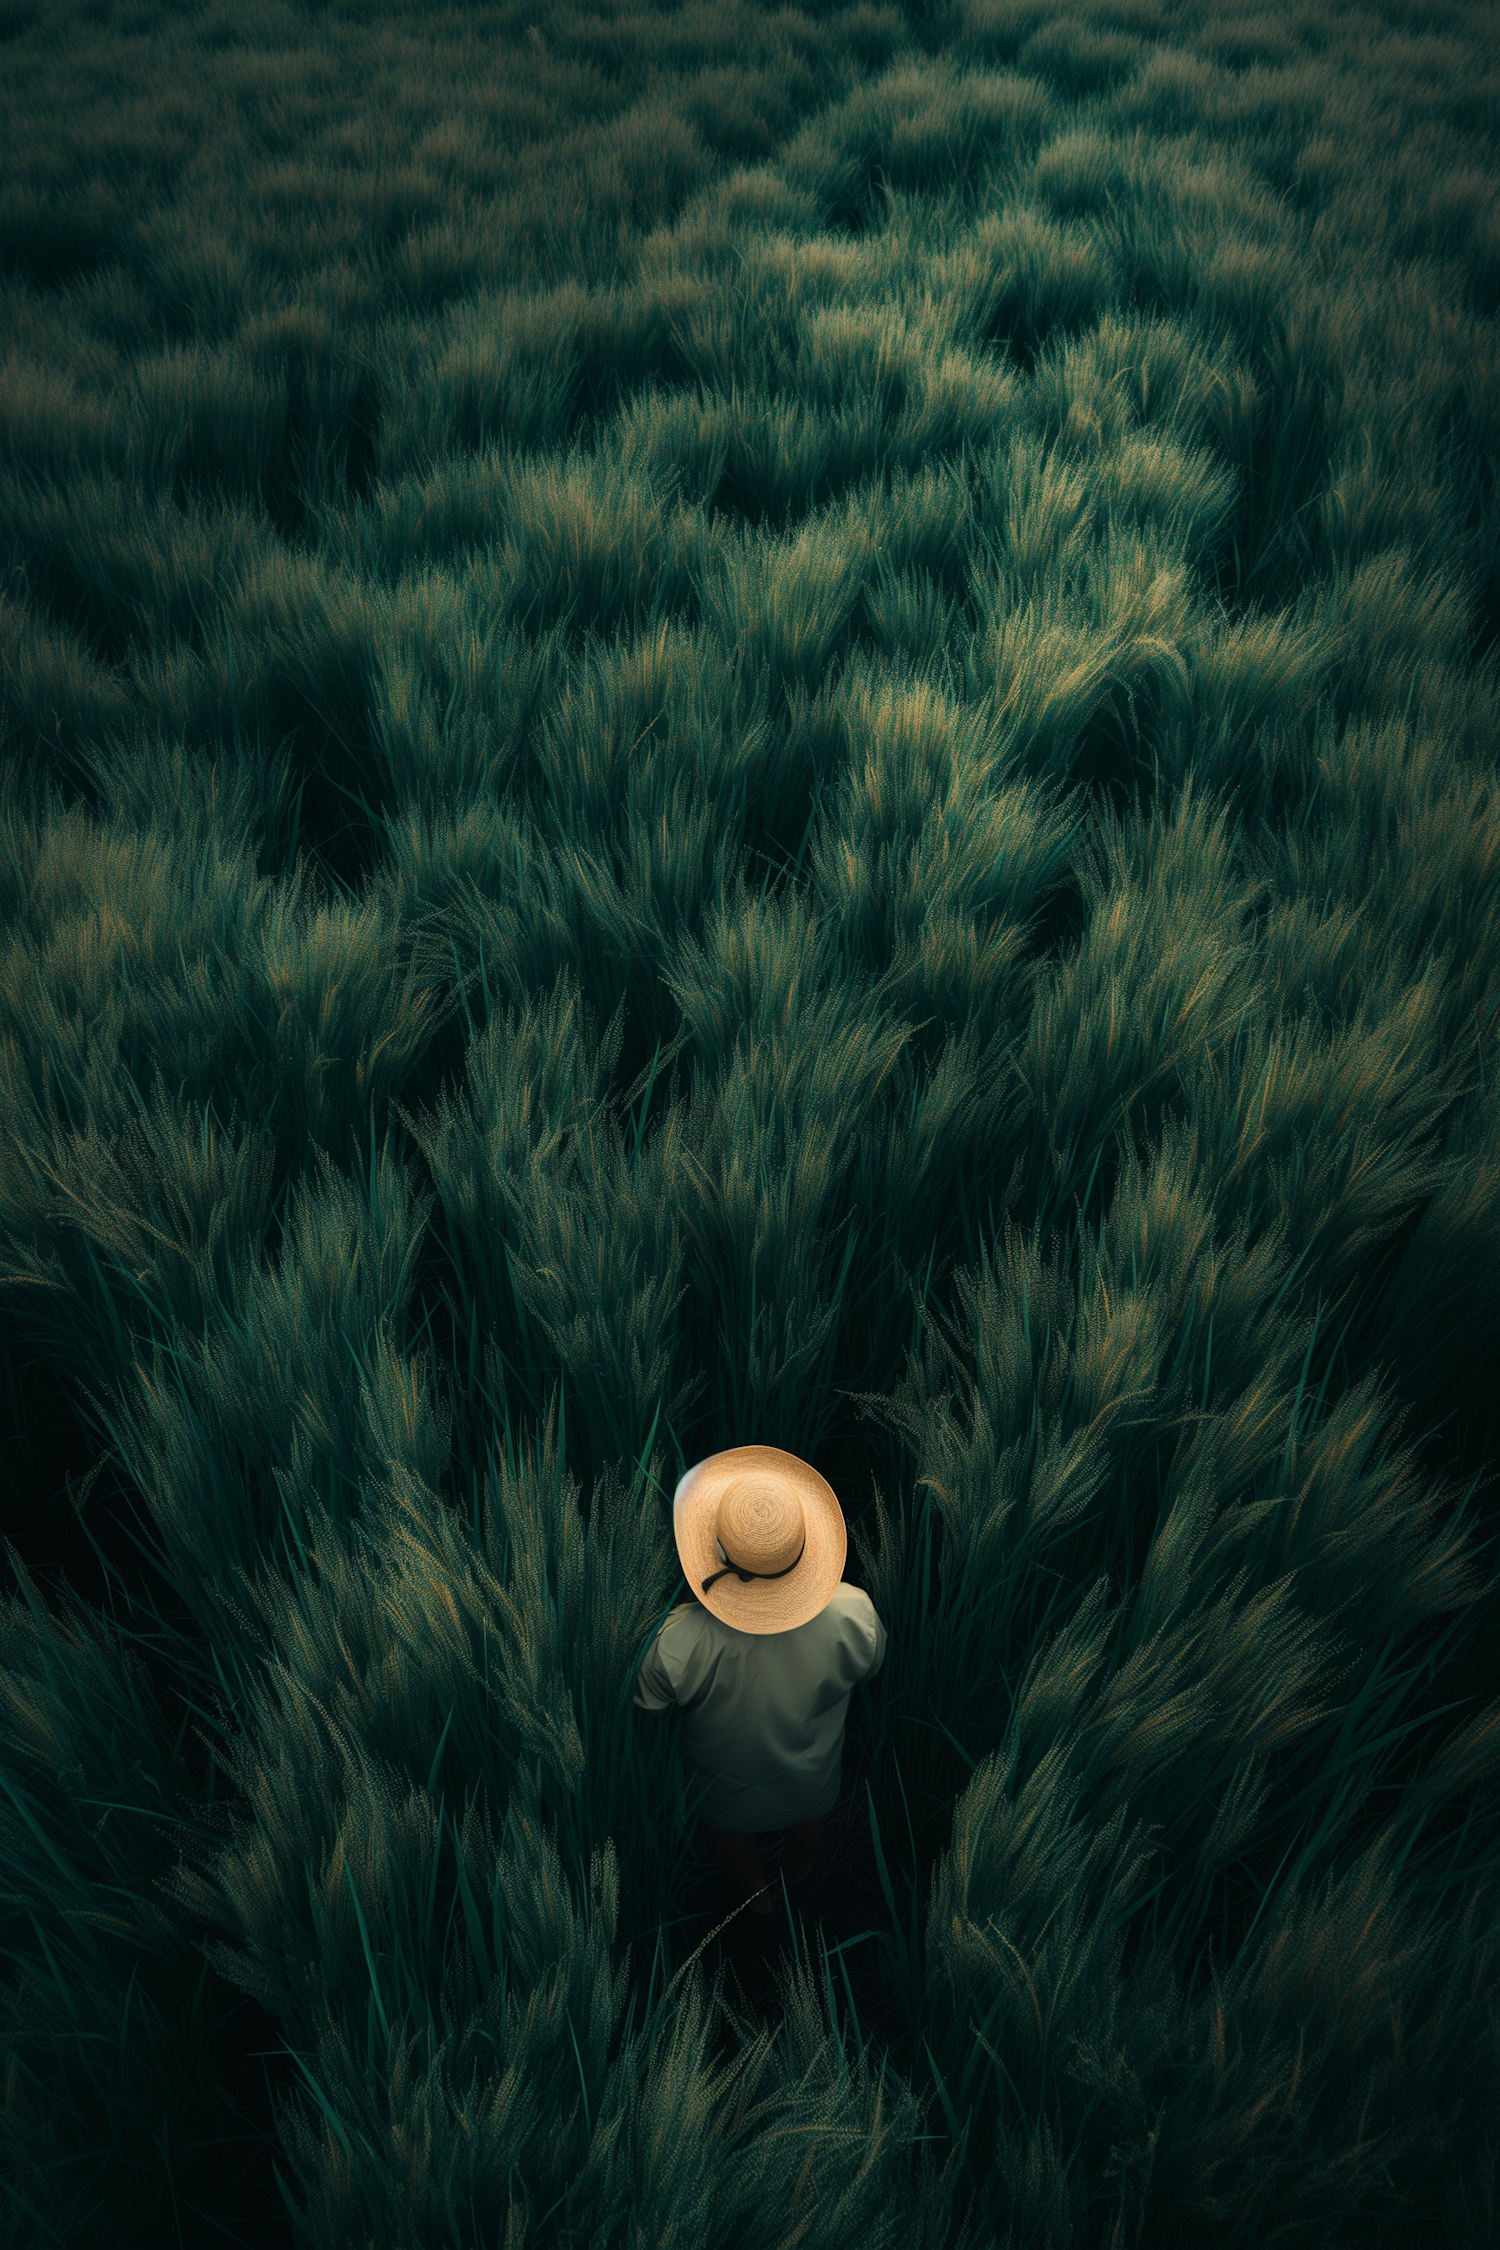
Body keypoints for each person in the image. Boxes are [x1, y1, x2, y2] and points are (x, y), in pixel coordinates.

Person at [633, 1444, 887, 1918]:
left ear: (709, 1548)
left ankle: (756, 1899)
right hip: (812, 1783)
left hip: (722, 1793)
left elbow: (647, 1704)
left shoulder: (677, 1640)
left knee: (731, 1841)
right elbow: (871, 1667)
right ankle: (797, 1881)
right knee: (810, 1833)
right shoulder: (855, 1613)